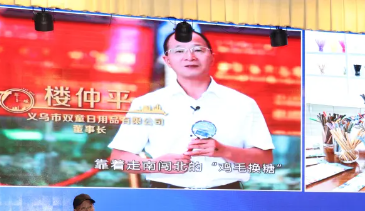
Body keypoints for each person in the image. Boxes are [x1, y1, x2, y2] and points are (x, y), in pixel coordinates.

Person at [108, 30, 275, 189]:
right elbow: (118, 159)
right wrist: (156, 165)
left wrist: (225, 151)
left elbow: (265, 159)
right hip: (166, 195)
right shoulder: (146, 104)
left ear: (211, 57)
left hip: (227, 196)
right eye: (179, 51)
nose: (190, 56)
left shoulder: (243, 103)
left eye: (198, 50)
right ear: (167, 60)